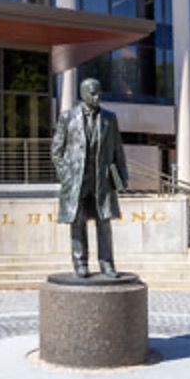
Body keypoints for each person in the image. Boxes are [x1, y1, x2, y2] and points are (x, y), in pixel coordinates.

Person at [50, 78, 128, 278]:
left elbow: (118, 149)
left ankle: (107, 264)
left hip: (101, 180)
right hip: (77, 181)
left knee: (104, 222)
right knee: (77, 222)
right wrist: (66, 176)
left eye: (99, 92)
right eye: (92, 93)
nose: (97, 96)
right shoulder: (68, 117)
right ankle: (80, 263)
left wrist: (123, 175)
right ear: (82, 94)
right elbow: (56, 150)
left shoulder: (110, 118)